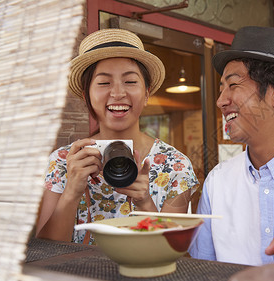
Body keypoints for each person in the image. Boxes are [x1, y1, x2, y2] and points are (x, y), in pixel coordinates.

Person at [36, 29, 199, 244]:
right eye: (104, 83)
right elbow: (44, 250)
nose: (118, 93)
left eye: (130, 81)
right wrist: (71, 191)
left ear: (147, 92)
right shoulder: (63, 161)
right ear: (86, 95)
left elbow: (175, 250)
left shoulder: (175, 165)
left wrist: (145, 202)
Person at [189, 26, 274, 265]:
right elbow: (203, 273)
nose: (221, 101)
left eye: (233, 85)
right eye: (221, 88)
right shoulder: (218, 182)